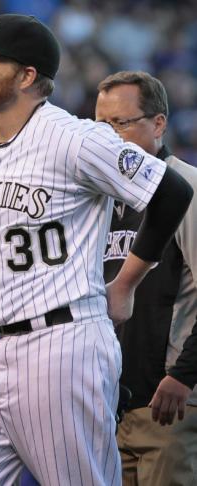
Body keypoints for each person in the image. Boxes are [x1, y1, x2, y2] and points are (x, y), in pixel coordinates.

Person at [0, 14, 193, 486]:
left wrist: (125, 283)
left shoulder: (75, 137)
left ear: (27, 76)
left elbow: (172, 190)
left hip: (60, 344)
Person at [96, 71, 197, 485]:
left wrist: (184, 375)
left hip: (170, 402)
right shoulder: (101, 198)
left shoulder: (187, 186)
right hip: (110, 405)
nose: (109, 137)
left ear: (158, 124)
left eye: (121, 123)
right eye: (100, 126)